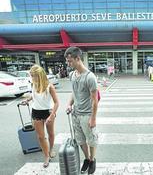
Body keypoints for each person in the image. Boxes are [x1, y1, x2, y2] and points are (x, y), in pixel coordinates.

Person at [64, 46, 98, 174]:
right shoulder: (72, 74)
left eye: (70, 61)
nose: (68, 64)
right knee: (80, 140)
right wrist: (69, 104)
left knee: (91, 139)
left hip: (87, 115)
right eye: (67, 61)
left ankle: (93, 159)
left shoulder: (90, 77)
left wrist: (93, 118)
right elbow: (74, 92)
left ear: (78, 59)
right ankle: (87, 159)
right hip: (75, 114)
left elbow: (95, 100)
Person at [23, 64, 59, 168]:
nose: (32, 78)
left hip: (48, 112)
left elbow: (56, 102)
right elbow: (33, 95)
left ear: (40, 75)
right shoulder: (33, 84)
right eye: (31, 75)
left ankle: (51, 149)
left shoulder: (49, 86)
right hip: (36, 112)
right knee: (40, 137)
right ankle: (46, 156)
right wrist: (28, 100)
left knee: (51, 134)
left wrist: (52, 115)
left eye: (34, 76)